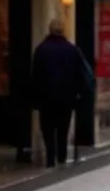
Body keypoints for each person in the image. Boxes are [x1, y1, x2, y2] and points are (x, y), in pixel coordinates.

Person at [31, 19, 92, 169]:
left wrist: (35, 97)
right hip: (67, 98)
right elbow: (81, 74)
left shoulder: (41, 50)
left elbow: (35, 76)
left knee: (48, 128)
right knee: (63, 128)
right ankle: (62, 156)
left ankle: (50, 157)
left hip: (46, 98)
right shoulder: (72, 50)